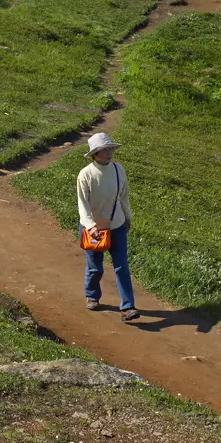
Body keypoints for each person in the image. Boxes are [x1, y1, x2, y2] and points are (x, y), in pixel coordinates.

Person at [76, 132, 139, 321]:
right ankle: (92, 296)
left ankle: (128, 307)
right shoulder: (85, 174)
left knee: (122, 266)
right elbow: (83, 204)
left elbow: (123, 196)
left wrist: (128, 216)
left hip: (117, 226)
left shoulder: (119, 169)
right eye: (104, 150)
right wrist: (90, 226)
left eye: (110, 149)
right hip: (94, 229)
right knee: (96, 268)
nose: (109, 153)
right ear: (94, 154)